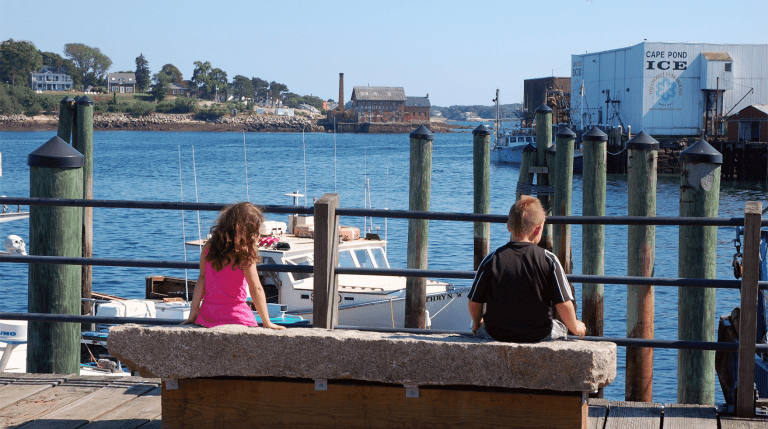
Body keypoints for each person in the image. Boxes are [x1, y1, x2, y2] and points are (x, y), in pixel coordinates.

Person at [468, 196, 586, 342]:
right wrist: (576, 327)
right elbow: (563, 303)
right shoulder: (549, 260)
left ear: (509, 227)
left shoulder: (491, 259)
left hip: (496, 333)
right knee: (560, 326)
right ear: (538, 229)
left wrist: (476, 323)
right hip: (539, 334)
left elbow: (474, 302)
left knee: (479, 328)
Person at [182, 202, 285, 330]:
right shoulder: (244, 252)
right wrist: (266, 322)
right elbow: (255, 288)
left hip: (208, 316)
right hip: (236, 317)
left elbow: (202, 278)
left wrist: (193, 314)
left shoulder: (209, 246)